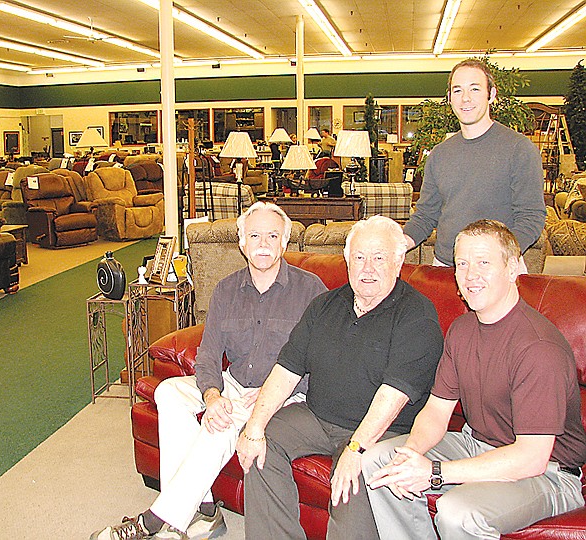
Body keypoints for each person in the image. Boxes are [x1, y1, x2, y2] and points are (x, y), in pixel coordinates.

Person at [91, 201, 327, 540]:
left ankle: (158, 522)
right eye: (255, 235)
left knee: (221, 426)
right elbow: (209, 353)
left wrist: (272, 394)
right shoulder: (226, 290)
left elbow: (319, 360)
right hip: (232, 384)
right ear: (242, 243)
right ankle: (203, 510)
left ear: (284, 243)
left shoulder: (311, 290)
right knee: (168, 392)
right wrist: (212, 394)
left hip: (281, 394)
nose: (263, 243)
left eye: (273, 236)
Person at [364, 219, 586, 540]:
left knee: (458, 512)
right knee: (379, 461)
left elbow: (531, 457)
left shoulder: (538, 348)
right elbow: (437, 412)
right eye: (462, 264)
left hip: (548, 473)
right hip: (475, 445)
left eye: (484, 262)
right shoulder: (462, 329)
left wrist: (435, 473)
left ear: (512, 270)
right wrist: (411, 456)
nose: (470, 275)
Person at [236, 215, 444, 540]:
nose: (368, 268)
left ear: (399, 261)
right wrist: (254, 428)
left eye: (379, 258)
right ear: (347, 259)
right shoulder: (324, 305)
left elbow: (395, 393)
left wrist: (356, 449)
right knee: (264, 441)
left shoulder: (416, 315)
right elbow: (287, 368)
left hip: (381, 433)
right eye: (359, 257)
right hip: (317, 416)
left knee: (352, 486)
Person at [402, 59, 546, 269]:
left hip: (498, 269)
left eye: (475, 89)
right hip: (445, 267)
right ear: (450, 98)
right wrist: (397, 244)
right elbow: (425, 216)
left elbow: (531, 217)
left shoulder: (519, 149)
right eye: (457, 90)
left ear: (492, 95)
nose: (466, 98)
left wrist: (498, 258)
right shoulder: (439, 155)